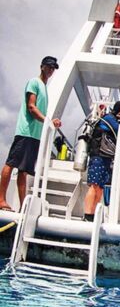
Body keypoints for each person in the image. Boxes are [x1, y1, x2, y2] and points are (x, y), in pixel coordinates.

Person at [0, 56, 62, 212]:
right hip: (25, 132)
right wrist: (47, 120)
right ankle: (1, 199)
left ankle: (23, 207)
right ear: (42, 67)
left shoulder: (44, 88)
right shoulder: (34, 82)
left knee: (24, 171)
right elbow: (31, 107)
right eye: (49, 67)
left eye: (53, 68)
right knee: (11, 163)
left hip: (35, 135)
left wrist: (50, 121)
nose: (51, 70)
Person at [83, 101, 120, 222]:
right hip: (98, 156)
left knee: (100, 187)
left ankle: (92, 215)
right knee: (94, 185)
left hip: (106, 157)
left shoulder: (113, 119)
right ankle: (87, 214)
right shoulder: (108, 118)